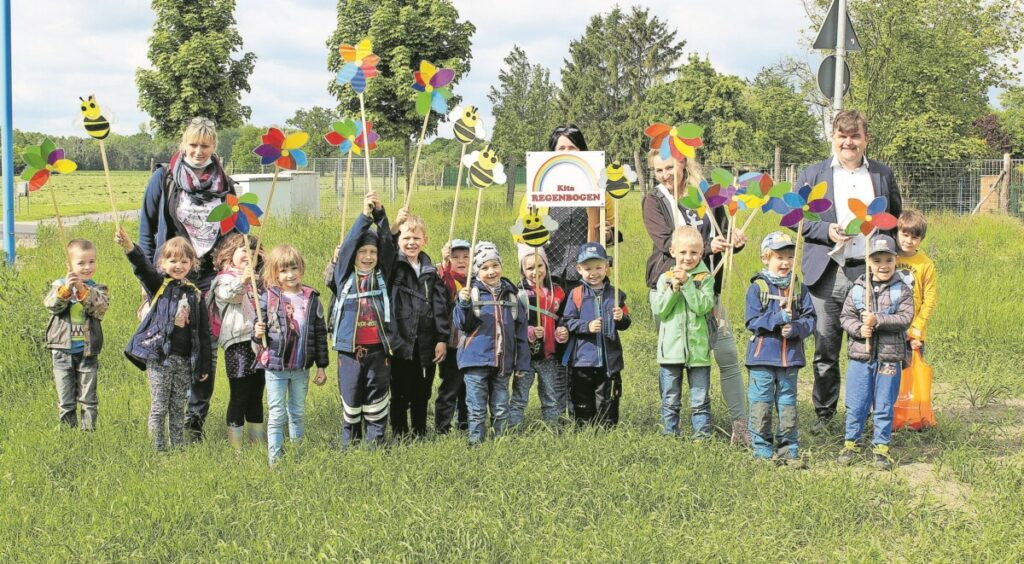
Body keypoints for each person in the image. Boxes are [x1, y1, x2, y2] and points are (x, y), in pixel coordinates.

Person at [795, 110, 902, 435]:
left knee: (869, 346)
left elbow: (893, 217)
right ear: (833, 137)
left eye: (855, 136)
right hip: (827, 273)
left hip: (868, 276)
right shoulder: (813, 175)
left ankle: (865, 416)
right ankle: (824, 416)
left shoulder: (882, 175)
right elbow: (797, 220)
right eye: (842, 135)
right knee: (825, 350)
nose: (848, 142)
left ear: (866, 139)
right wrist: (827, 231)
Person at [138, 116, 238, 441]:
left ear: (213, 147)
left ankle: (195, 421)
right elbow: (147, 228)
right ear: (184, 144)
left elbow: (236, 230)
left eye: (204, 145)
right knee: (172, 347)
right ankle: (167, 420)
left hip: (208, 276)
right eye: (192, 144)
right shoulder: (164, 178)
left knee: (205, 347)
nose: (197, 151)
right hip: (170, 275)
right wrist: (148, 279)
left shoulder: (226, 185)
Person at [642, 149, 750, 444]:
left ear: (683, 163)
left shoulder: (706, 195)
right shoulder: (654, 200)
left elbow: (723, 233)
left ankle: (741, 424)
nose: (664, 175)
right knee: (674, 360)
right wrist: (706, 245)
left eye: (669, 167)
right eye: (658, 170)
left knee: (726, 353)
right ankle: (671, 426)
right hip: (671, 288)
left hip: (706, 287)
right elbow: (665, 242)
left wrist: (734, 241)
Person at [115, 228, 211, 452]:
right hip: (159, 357)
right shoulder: (159, 285)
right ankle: (159, 451)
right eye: (173, 260)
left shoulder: (195, 294)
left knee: (178, 407)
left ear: (192, 264)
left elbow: (203, 334)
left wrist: (203, 365)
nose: (178, 265)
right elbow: (142, 268)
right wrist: (129, 246)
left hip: (184, 360)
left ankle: (177, 450)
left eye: (184, 261)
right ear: (163, 263)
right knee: (159, 407)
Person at [836, 235, 914, 470]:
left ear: (896, 260)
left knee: (883, 403)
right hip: (861, 357)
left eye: (888, 260)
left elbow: (905, 318)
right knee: (857, 402)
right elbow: (845, 318)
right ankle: (851, 442)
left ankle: (881, 447)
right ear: (868, 261)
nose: (883, 265)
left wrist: (877, 319)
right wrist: (860, 329)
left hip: (889, 358)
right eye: (877, 259)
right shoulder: (858, 289)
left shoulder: (903, 290)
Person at [327, 191, 398, 447]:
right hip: (349, 352)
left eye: (372, 252)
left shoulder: (383, 274)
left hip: (379, 350)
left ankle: (376, 444)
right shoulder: (343, 276)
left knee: (377, 398)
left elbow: (389, 245)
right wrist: (364, 217)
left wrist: (380, 215)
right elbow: (346, 248)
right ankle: (350, 444)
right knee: (351, 396)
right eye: (362, 252)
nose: (368, 257)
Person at [744, 232, 816, 465]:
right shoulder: (758, 288)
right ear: (765, 258)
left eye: (789, 257)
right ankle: (762, 448)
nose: (785, 262)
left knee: (787, 407)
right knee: (761, 405)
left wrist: (795, 328)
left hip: (790, 360)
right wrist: (778, 317)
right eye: (779, 257)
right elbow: (752, 322)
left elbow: (810, 319)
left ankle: (788, 448)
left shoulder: (799, 289)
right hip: (762, 359)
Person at [253, 244, 329, 465]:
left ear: (301, 269)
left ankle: (298, 457)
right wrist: (257, 334)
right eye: (283, 270)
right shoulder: (268, 298)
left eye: (293, 268)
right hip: (276, 367)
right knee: (277, 414)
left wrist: (321, 366)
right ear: (275, 273)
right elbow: (258, 333)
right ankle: (274, 461)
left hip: (301, 367)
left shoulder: (311, 297)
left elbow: (319, 334)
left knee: (297, 412)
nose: (290, 274)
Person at [454, 242, 530, 445]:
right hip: (475, 362)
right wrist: (463, 304)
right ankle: (475, 443)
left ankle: (500, 442)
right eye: (484, 267)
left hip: (503, 362)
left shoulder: (512, 296)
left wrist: (522, 363)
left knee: (500, 406)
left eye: (495, 265)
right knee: (477, 408)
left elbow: (521, 333)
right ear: (477, 270)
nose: (491, 271)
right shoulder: (470, 293)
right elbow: (461, 324)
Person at [386, 208, 450, 438]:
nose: (411, 243)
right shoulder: (393, 266)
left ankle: (420, 432)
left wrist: (442, 338)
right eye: (406, 238)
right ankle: (400, 433)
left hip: (425, 342)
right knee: (400, 391)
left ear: (425, 240)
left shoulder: (430, 271)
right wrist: (395, 226)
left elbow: (440, 307)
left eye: (416, 238)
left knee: (422, 392)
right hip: (400, 340)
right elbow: (384, 246)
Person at [652, 227, 715, 438]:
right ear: (672, 252)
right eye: (683, 252)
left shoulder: (705, 278)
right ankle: (670, 434)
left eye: (694, 253)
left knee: (700, 398)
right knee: (670, 398)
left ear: (702, 253)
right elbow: (660, 309)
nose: (688, 258)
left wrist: (688, 285)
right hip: (671, 350)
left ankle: (702, 436)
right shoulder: (664, 279)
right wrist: (674, 288)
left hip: (698, 351)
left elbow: (702, 307)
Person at [560, 243, 631, 427]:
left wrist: (621, 318)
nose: (594, 273)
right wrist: (587, 326)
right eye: (588, 268)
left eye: (598, 267)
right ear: (579, 269)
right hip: (583, 359)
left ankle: (606, 431)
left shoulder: (616, 294)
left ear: (607, 267)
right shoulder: (575, 294)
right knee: (582, 397)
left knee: (607, 399)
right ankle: (583, 428)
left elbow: (626, 323)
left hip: (609, 360)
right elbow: (567, 321)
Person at [542, 124, 619, 290]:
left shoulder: (600, 190)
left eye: (572, 147)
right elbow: (521, 232)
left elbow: (613, 232)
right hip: (548, 275)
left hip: (587, 275)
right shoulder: (538, 188)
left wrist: (608, 235)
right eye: (561, 148)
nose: (567, 152)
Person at [44, 239, 109, 430]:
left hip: (88, 352)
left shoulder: (98, 288)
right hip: (62, 351)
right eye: (81, 263)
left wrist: (82, 290)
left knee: (88, 398)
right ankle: (67, 432)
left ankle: (88, 433)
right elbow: (51, 306)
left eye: (91, 261)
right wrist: (66, 290)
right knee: (66, 399)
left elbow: (100, 308)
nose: (87, 267)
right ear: (69, 265)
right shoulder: (59, 286)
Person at [209, 233, 265, 449]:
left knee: (257, 394)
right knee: (240, 394)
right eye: (244, 250)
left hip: (259, 343)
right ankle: (236, 447)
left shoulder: (259, 281)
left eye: (253, 252)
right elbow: (229, 295)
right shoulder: (224, 279)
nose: (249, 255)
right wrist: (244, 280)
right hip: (238, 343)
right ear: (229, 254)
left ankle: (257, 443)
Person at [510, 244, 569, 427]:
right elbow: (513, 322)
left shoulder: (557, 291)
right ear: (522, 270)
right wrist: (529, 332)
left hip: (549, 355)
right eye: (529, 268)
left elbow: (565, 318)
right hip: (525, 357)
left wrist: (562, 331)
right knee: (520, 396)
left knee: (551, 396)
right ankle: (513, 430)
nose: (535, 271)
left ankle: (553, 429)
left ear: (546, 266)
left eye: (539, 266)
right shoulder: (518, 294)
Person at [435, 239, 471, 434]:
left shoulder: (476, 280)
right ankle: (442, 427)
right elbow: (440, 277)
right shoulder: (447, 279)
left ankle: (465, 424)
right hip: (452, 344)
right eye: (455, 257)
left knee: (468, 386)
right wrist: (443, 262)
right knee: (450, 386)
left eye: (466, 256)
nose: (461, 260)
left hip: (472, 345)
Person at [895, 210, 937, 355]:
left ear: (922, 238)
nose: (909, 241)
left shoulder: (926, 264)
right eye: (905, 235)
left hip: (914, 332)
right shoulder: (889, 258)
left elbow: (930, 300)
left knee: (911, 375)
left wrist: (917, 326)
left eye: (914, 237)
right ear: (896, 233)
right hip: (890, 330)